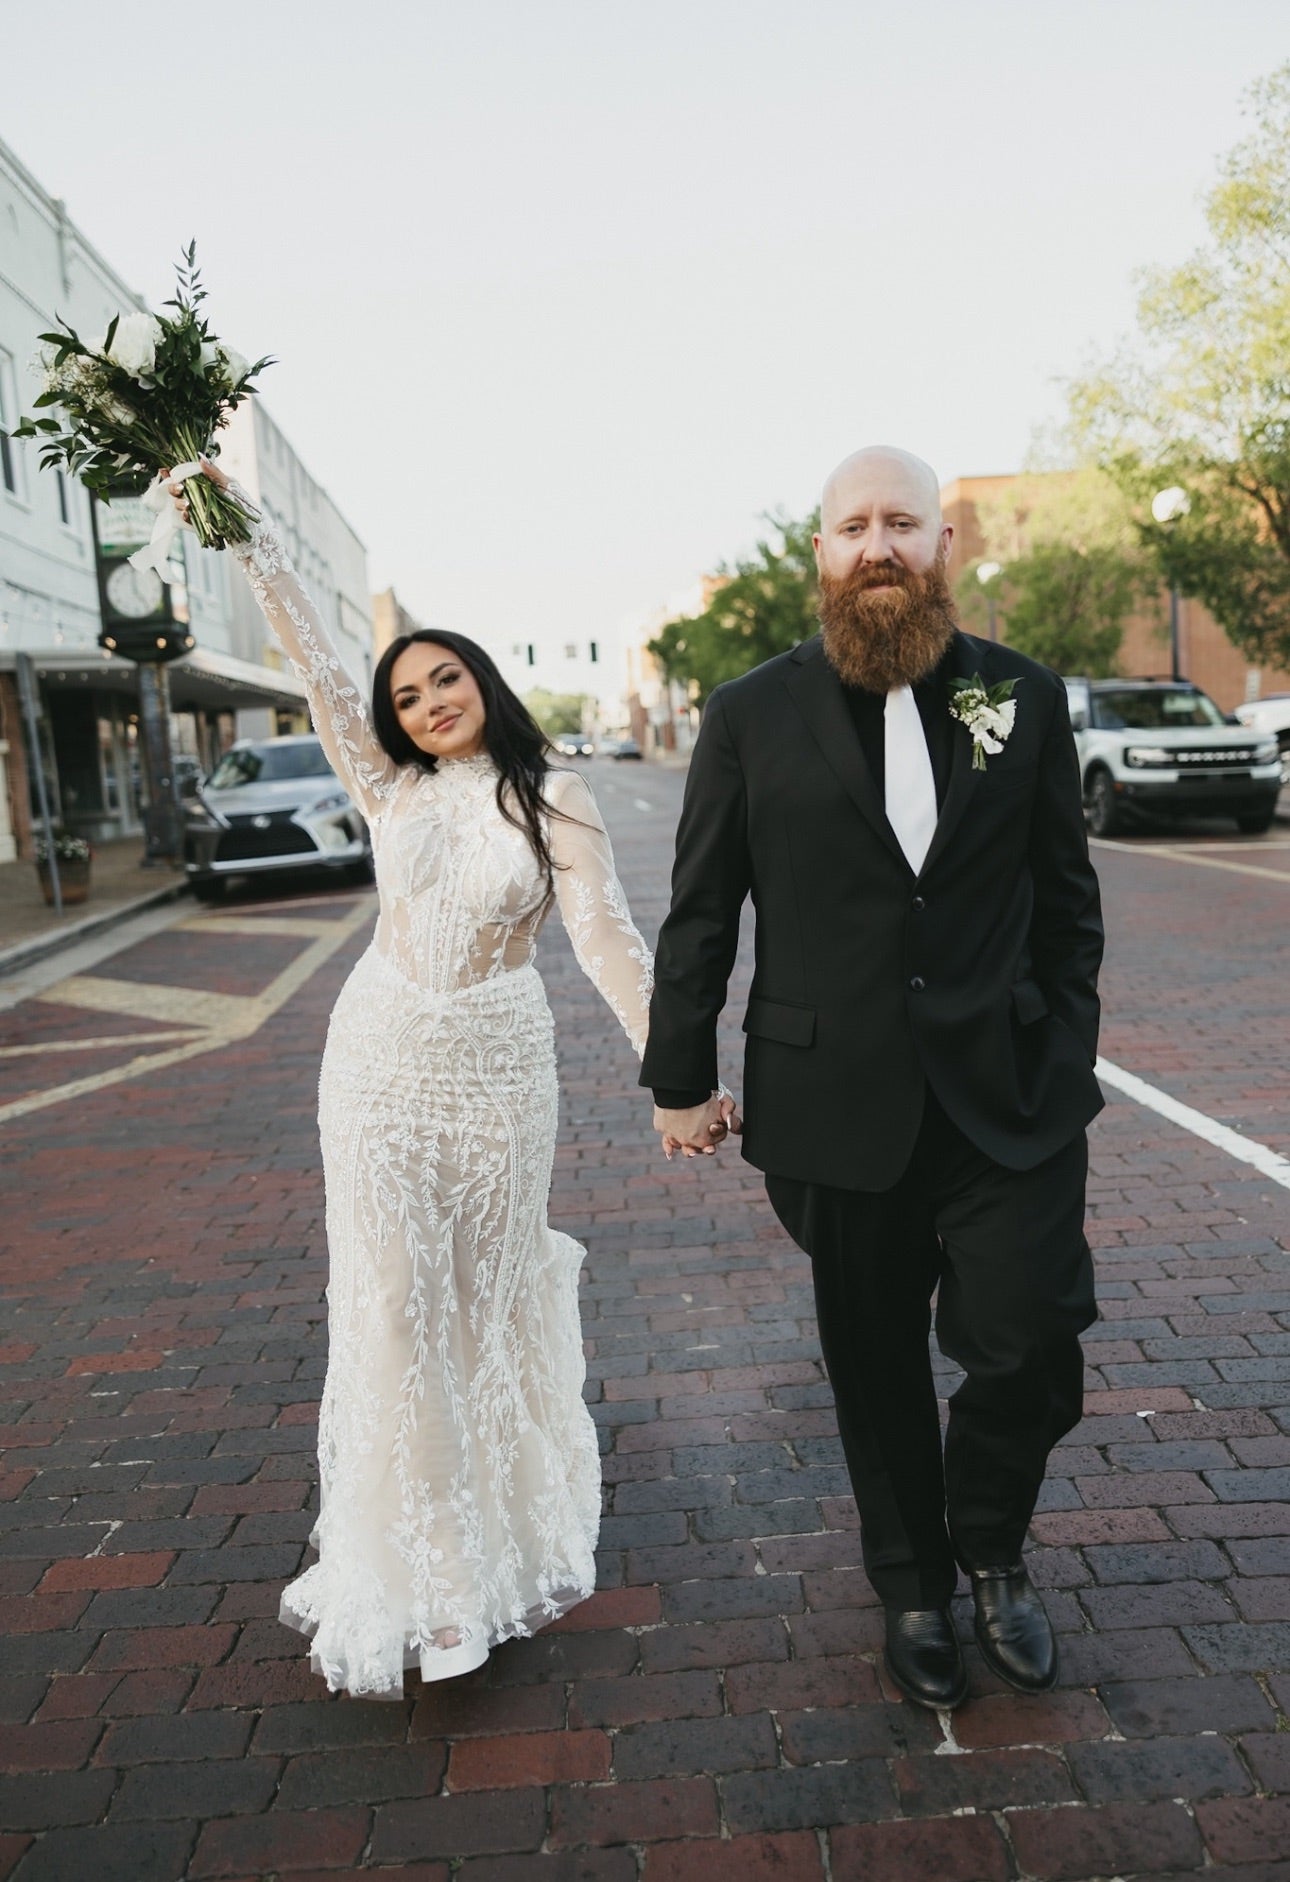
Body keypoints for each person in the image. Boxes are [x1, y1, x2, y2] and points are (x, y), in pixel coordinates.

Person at [163, 458, 723, 1700]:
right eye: (407, 695)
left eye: (445, 680)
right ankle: (441, 1581)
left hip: (498, 1073)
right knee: (396, 1303)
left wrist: (675, 1077)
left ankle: (493, 1535)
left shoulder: (555, 795)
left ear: (483, 681)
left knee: (480, 1305)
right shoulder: (387, 787)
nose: (427, 704)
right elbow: (317, 662)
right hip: (375, 1062)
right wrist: (238, 527)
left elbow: (609, 942)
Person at [643, 446, 1104, 1710]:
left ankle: (992, 1543)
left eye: (903, 522)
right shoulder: (748, 712)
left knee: (1031, 1341)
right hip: (833, 1103)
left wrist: (1064, 1044)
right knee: (875, 1359)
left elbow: (1068, 902)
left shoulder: (1023, 693)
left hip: (1009, 1098)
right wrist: (679, 1074)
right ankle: (913, 1585)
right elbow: (702, 910)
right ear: (824, 555)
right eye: (854, 526)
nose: (879, 546)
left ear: (945, 544)